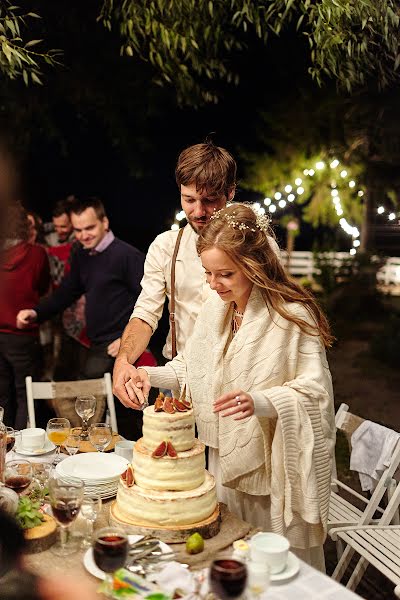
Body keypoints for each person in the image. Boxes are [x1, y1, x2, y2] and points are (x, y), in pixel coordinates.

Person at [128, 203, 336, 571]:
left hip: (271, 466)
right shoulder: (215, 307)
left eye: (225, 273)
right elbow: (192, 366)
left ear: (254, 264)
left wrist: (262, 401)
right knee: (231, 561)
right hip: (221, 459)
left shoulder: (293, 315)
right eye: (208, 273)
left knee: (275, 569)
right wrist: (150, 375)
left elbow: (315, 394)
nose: (213, 284)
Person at [113, 141, 280, 406]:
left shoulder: (259, 245)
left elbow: (273, 313)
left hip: (240, 382)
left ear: (231, 192)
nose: (198, 211)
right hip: (178, 380)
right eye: (189, 200)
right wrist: (123, 361)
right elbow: (146, 313)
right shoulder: (166, 246)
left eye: (210, 200)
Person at [16, 197, 148, 438]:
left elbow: (149, 302)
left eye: (90, 228)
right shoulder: (83, 255)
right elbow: (67, 292)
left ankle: (132, 470)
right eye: (78, 230)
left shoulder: (128, 255)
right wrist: (36, 312)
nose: (84, 235)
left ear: (104, 222)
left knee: (126, 417)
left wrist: (126, 340)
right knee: (94, 417)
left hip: (123, 346)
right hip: (98, 345)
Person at [0, 202, 50, 428]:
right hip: (22, 334)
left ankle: (5, 451)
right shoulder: (37, 254)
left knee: (3, 396)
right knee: (25, 395)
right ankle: (21, 450)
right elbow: (43, 287)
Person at [46, 198, 89, 380]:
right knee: (59, 359)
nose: (59, 230)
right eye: (56, 226)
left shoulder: (81, 242)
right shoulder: (48, 238)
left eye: (64, 226)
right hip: (57, 304)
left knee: (80, 359)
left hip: (79, 307)